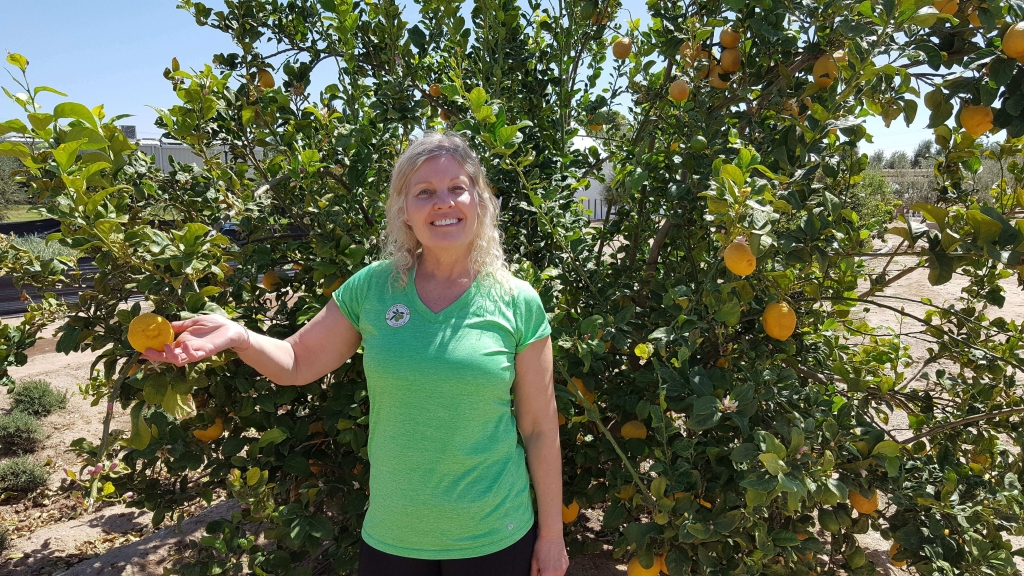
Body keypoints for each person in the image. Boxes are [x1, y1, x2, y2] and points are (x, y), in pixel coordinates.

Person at [142, 131, 570, 576]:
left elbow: (539, 429)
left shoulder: (516, 301)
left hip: (495, 533)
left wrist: (552, 536)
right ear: (404, 210)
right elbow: (297, 362)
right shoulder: (373, 288)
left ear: (479, 201)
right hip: (395, 533)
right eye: (425, 192)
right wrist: (240, 336)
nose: (443, 203)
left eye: (457, 188)